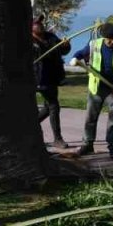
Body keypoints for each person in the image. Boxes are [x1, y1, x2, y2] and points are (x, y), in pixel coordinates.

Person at [71, 22, 113, 160]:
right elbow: (80, 53)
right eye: (109, 39)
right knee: (90, 117)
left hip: (112, 89)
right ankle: (87, 145)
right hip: (96, 87)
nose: (112, 41)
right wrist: (75, 58)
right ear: (104, 37)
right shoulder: (94, 45)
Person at [32, 19, 71, 148]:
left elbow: (63, 51)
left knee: (49, 107)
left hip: (52, 78)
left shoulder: (51, 36)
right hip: (37, 78)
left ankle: (31, 125)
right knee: (53, 106)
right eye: (36, 23)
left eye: (40, 23)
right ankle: (57, 138)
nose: (39, 24)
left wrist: (66, 45)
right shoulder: (28, 40)